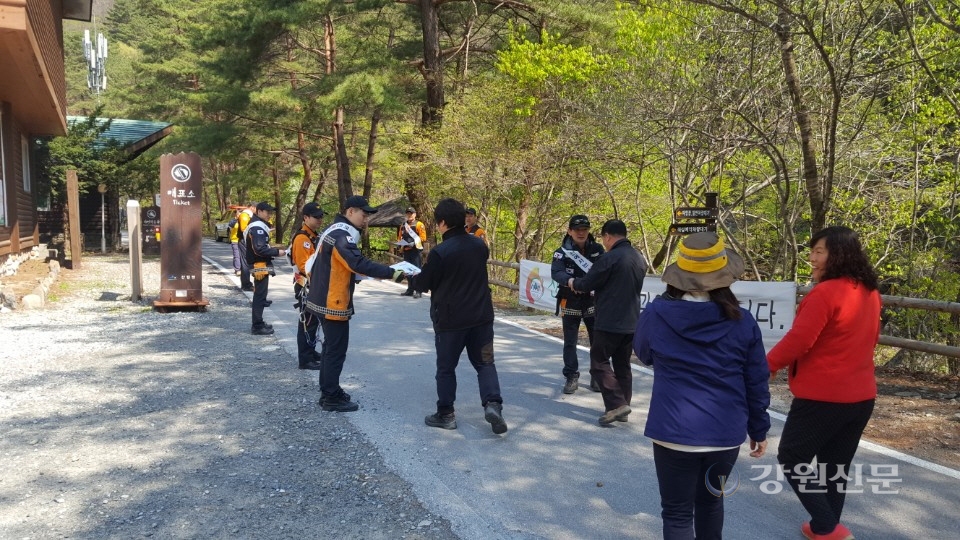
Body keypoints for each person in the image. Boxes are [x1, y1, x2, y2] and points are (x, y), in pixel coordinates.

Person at [633, 232, 770, 540]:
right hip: (725, 433)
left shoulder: (656, 314)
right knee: (710, 504)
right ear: (725, 278)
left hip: (673, 432)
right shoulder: (743, 320)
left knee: (677, 513)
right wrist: (759, 429)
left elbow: (644, 354)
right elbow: (756, 380)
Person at [767, 226, 881, 540]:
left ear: (839, 255)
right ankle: (823, 527)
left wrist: (768, 364)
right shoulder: (869, 292)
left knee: (792, 456)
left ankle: (830, 527)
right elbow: (871, 340)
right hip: (861, 397)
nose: (812, 258)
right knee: (835, 467)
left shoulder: (826, 293)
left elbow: (800, 339)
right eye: (812, 251)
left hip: (824, 397)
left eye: (819, 252)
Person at [414, 198, 507, 435]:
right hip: (482, 318)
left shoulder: (440, 253)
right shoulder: (479, 246)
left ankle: (446, 414)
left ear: (442, 222)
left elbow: (424, 284)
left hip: (450, 321)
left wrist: (408, 277)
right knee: (485, 363)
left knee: (446, 368)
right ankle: (493, 404)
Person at [305, 195, 406, 412]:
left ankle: (328, 392)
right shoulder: (342, 236)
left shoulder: (332, 231)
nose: (366, 219)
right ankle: (331, 396)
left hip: (323, 298)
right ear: (350, 211)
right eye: (363, 214)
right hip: (333, 301)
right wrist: (394, 273)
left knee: (330, 348)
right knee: (335, 351)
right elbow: (357, 263)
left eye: (369, 215)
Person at [569, 219, 646, 425]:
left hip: (610, 319)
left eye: (604, 238)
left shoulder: (609, 258)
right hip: (632, 320)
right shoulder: (639, 257)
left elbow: (586, 283)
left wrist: (572, 282)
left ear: (608, 236)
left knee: (598, 362)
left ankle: (616, 404)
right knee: (622, 365)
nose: (604, 242)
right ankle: (623, 405)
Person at [551, 214, 605, 394]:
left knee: (597, 340)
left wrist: (591, 285)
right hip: (570, 298)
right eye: (577, 230)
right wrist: (571, 281)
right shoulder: (561, 251)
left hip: (592, 299)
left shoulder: (598, 249)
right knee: (570, 341)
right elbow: (556, 273)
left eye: (585, 229)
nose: (581, 233)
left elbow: (603, 271)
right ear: (569, 231)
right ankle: (571, 375)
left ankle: (597, 374)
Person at [290, 202, 325, 370]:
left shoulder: (312, 236)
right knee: (307, 322)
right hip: (306, 286)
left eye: (321, 216)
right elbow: (305, 267)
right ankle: (305, 359)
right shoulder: (302, 239)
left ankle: (310, 351)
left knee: (313, 321)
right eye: (316, 217)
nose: (320, 219)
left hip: (312, 285)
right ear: (305, 217)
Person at [245, 202, 286, 336]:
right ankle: (257, 325)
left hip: (260, 264)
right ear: (259, 211)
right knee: (259, 296)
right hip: (259, 265)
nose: (270, 215)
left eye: (271, 212)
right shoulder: (257, 227)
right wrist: (276, 252)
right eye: (268, 212)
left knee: (261, 295)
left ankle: (259, 322)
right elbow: (260, 249)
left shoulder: (258, 225)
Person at [397, 206, 427, 298]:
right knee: (407, 271)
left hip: (415, 251)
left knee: (416, 271)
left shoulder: (419, 224)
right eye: (408, 213)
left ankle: (418, 290)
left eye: (411, 213)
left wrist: (414, 243)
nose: (409, 215)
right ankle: (410, 289)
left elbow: (423, 237)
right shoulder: (403, 225)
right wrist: (399, 244)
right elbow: (399, 237)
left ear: (415, 214)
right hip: (406, 250)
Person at [236, 204, 256, 291]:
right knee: (245, 262)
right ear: (252, 207)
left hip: (247, 240)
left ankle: (247, 283)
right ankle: (246, 284)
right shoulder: (245, 215)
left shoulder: (249, 215)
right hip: (244, 240)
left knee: (248, 262)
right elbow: (244, 229)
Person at [228, 209, 242, 276]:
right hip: (235, 240)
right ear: (236, 214)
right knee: (237, 256)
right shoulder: (233, 221)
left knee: (242, 256)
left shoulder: (244, 220)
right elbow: (230, 228)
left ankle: (242, 269)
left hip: (243, 241)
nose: (240, 214)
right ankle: (237, 269)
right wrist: (236, 221)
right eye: (239, 213)